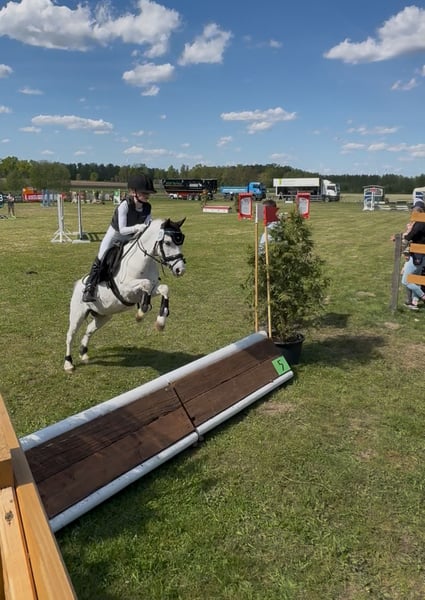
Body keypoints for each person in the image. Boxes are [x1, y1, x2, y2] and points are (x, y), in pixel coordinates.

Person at [82, 173, 157, 302]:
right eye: (144, 192)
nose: (147, 195)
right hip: (115, 236)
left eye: (148, 193)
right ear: (133, 192)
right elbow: (122, 229)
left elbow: (148, 225)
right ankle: (90, 287)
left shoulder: (147, 207)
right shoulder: (124, 205)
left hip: (131, 238)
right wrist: (138, 227)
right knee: (101, 257)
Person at [401, 205, 425, 310]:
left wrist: (405, 238)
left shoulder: (421, 220)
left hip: (418, 253)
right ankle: (414, 303)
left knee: (406, 280)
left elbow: (413, 233)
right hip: (421, 253)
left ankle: (422, 296)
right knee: (416, 279)